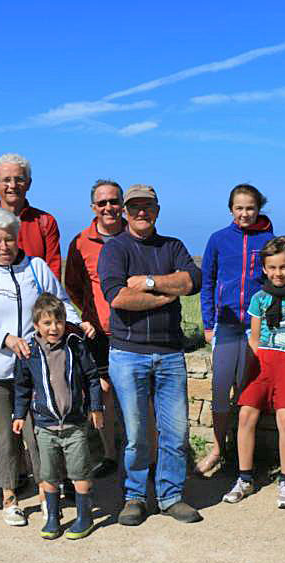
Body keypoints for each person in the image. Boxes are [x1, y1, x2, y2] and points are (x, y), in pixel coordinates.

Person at [0, 208, 93, 527]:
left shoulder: (37, 268)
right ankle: (9, 497)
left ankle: (47, 496)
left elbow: (59, 304)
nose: (3, 246)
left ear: (17, 237)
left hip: (40, 369)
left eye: (8, 239)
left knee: (40, 434)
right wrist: (4, 338)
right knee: (7, 434)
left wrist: (78, 324)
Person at [97, 184, 203, 526]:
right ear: (126, 212)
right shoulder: (115, 249)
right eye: (135, 207)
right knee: (137, 433)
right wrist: (168, 293)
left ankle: (171, 496)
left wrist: (148, 283)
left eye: (148, 206)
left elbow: (192, 281)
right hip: (128, 354)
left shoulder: (172, 246)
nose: (141, 212)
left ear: (157, 209)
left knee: (176, 432)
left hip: (170, 353)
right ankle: (135, 497)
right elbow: (118, 298)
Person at [222, 236, 285, 508]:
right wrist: (247, 374)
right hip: (262, 363)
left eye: (284, 267)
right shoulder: (259, 298)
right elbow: (254, 339)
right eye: (273, 268)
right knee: (245, 415)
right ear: (265, 269)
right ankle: (244, 478)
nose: (278, 273)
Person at [197, 183, 275, 475]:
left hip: (257, 326)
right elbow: (207, 282)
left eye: (250, 208)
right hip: (227, 327)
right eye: (239, 208)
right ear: (231, 209)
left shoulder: (268, 239)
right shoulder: (218, 239)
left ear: (259, 209)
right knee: (220, 391)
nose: (245, 213)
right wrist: (208, 324)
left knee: (247, 393)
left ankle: (244, 457)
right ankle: (218, 449)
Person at [13, 293, 104, 540]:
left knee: (79, 472)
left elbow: (92, 378)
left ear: (65, 322)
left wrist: (96, 408)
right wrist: (19, 414)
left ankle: (85, 517)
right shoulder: (29, 351)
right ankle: (53, 517)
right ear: (36, 326)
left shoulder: (75, 345)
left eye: (59, 322)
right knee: (49, 475)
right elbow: (22, 386)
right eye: (47, 323)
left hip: (75, 424)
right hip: (45, 425)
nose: (54, 328)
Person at [64, 179, 126, 480]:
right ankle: (110, 455)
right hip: (98, 332)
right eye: (102, 203)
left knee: (144, 394)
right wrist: (87, 315)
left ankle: (147, 456)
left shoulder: (135, 235)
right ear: (93, 207)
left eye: (113, 201)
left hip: (135, 330)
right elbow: (73, 285)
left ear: (122, 204)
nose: (109, 208)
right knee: (103, 393)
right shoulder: (79, 242)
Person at [0, 153, 62, 278]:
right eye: (6, 180)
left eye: (19, 179)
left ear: (28, 184)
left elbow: (53, 271)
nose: (13, 185)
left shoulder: (45, 221)